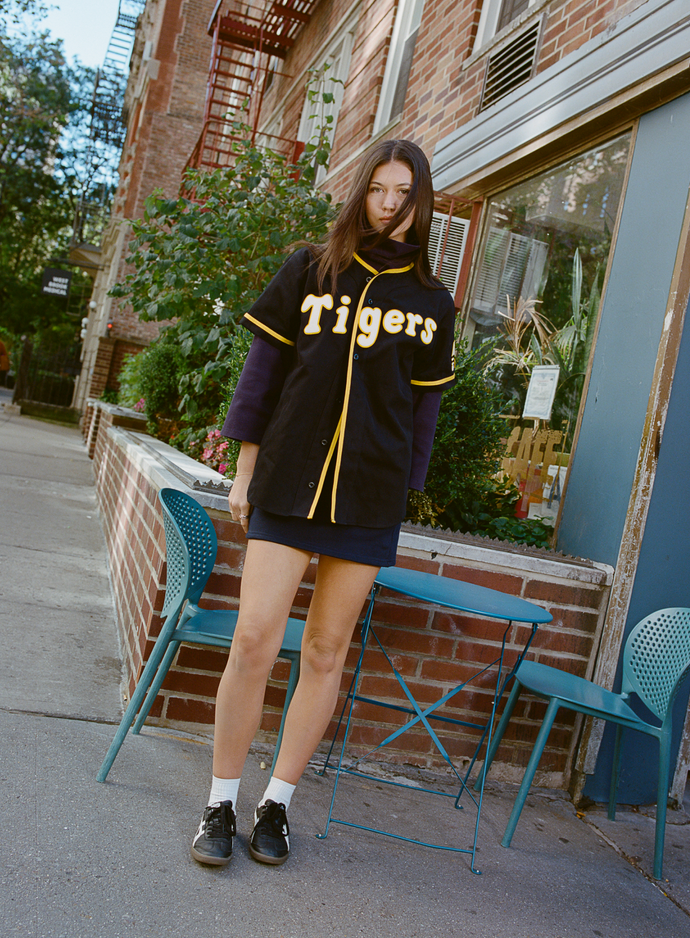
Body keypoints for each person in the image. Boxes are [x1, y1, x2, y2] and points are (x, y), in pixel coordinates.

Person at [190, 139, 456, 868]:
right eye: (378, 189)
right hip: (288, 479)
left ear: (422, 201)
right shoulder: (310, 267)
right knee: (254, 639)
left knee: (325, 650)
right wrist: (245, 473)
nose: (390, 204)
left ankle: (276, 803)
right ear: (361, 191)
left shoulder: (433, 301)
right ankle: (219, 801)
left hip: (369, 496)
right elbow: (261, 376)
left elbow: (424, 411)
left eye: (404, 193)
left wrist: (403, 493)